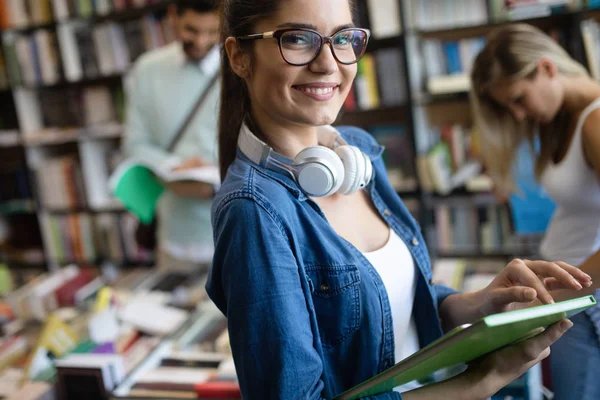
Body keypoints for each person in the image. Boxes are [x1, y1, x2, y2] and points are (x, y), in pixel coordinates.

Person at [205, 3, 591, 399]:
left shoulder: (358, 152)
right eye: (299, 39)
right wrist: (482, 380)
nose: (328, 63)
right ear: (239, 57)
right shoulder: (253, 212)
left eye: (343, 38)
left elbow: (393, 306)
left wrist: (475, 305)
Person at [471, 23, 600, 400]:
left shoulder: (594, 122)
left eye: (518, 98)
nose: (519, 114)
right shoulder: (562, 118)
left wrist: (557, 298)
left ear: (546, 68)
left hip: (582, 300)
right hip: (567, 289)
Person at [123, 0, 221, 272]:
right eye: (191, 30)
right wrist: (173, 168)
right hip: (174, 238)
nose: (201, 41)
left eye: (212, 32)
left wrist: (215, 178)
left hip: (231, 234)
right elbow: (134, 144)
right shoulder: (148, 69)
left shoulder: (240, 70)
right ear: (173, 17)